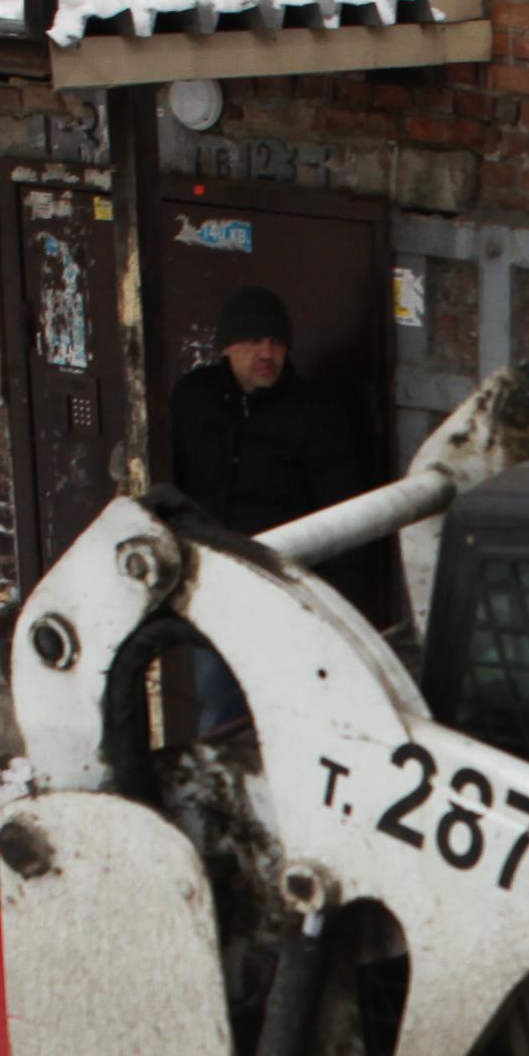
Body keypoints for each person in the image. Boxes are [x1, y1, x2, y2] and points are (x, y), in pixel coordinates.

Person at [169, 286, 368, 736]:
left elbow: (343, 516)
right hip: (215, 586)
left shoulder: (316, 415)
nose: (267, 352)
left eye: (276, 342)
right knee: (220, 710)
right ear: (227, 346)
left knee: (293, 718)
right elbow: (171, 485)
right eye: (254, 341)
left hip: (288, 591)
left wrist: (338, 611)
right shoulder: (193, 399)